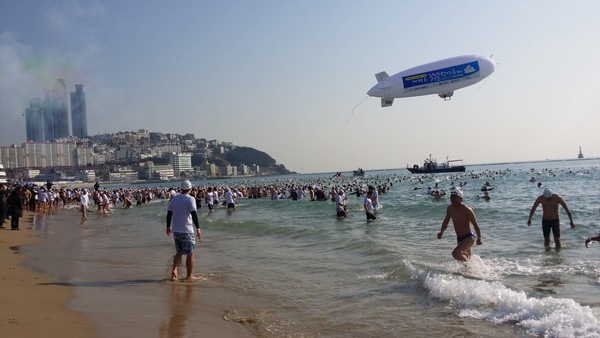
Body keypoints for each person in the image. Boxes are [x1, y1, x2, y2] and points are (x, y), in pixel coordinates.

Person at [166, 180, 202, 281]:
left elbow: (169, 214)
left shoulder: (174, 199)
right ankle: (189, 276)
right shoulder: (190, 199)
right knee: (190, 253)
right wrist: (198, 228)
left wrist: (168, 227)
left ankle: (174, 271)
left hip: (176, 230)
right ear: (190, 189)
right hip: (187, 230)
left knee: (179, 253)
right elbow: (194, 214)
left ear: (182, 189)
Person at [437, 188, 483, 262]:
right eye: (451, 197)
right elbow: (446, 221)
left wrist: (479, 237)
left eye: (455, 197)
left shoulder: (467, 209)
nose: (452, 198)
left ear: (460, 199)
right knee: (466, 258)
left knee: (456, 254)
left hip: (468, 237)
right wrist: (441, 232)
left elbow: (475, 223)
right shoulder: (450, 208)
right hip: (459, 239)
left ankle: (468, 268)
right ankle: (471, 272)